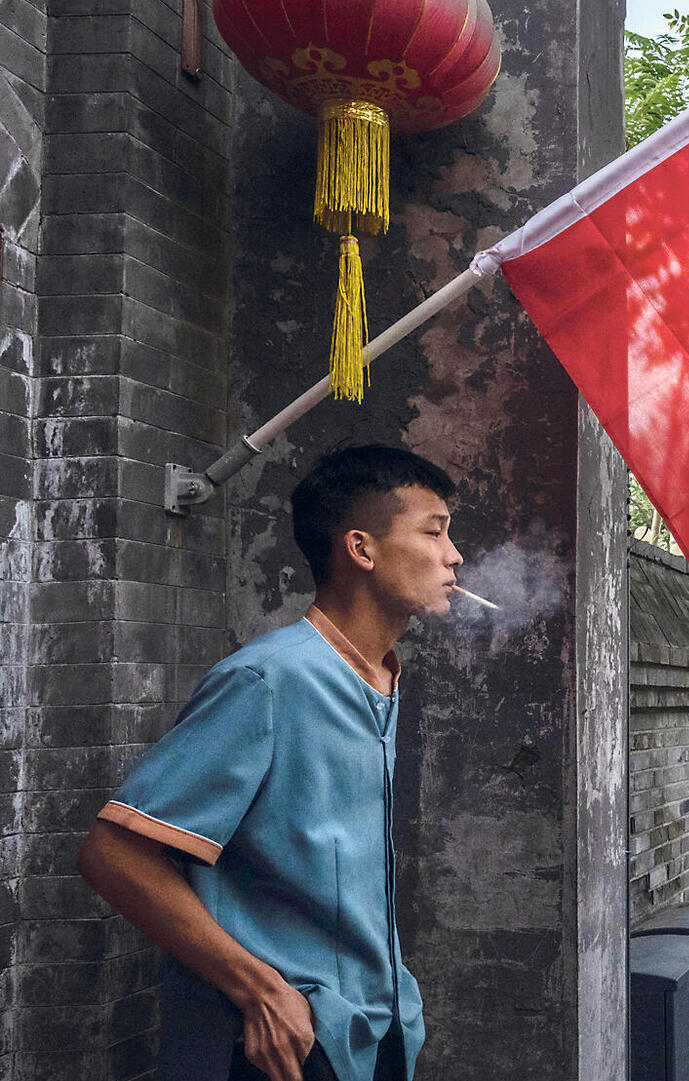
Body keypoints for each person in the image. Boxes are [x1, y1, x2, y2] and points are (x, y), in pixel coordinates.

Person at [76, 446, 463, 1081]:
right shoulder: (268, 680)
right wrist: (260, 989)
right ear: (361, 550)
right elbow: (112, 853)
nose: (455, 556)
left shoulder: (382, 678)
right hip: (281, 1046)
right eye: (434, 531)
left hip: (373, 1034)